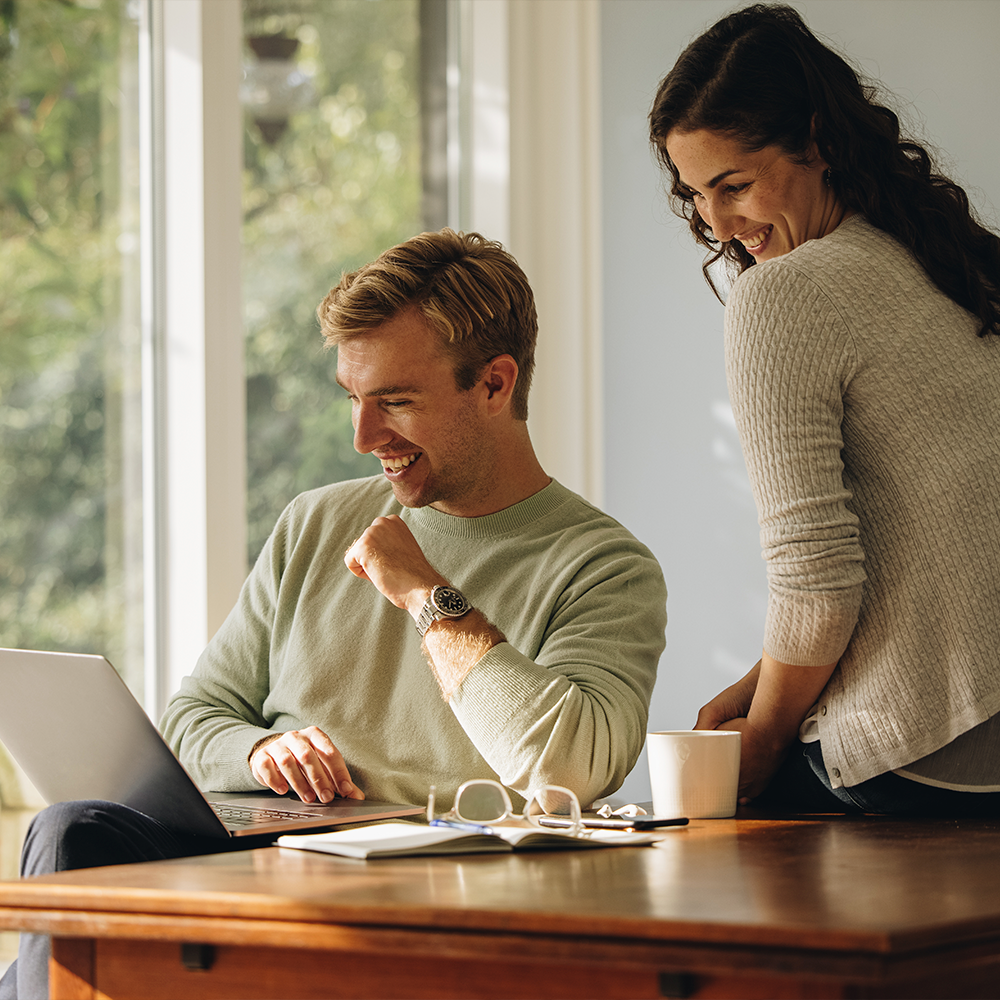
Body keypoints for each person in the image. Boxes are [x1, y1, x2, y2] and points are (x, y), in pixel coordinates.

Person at [0, 228, 666, 999]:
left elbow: (571, 764)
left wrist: (425, 595)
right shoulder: (314, 523)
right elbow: (193, 718)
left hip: (426, 897)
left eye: (396, 402)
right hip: (252, 869)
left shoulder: (604, 566)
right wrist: (259, 754)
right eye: (354, 398)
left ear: (494, 384)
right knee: (70, 830)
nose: (363, 437)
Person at [648, 3, 1000, 815]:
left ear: (814, 141)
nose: (718, 224)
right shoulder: (945, 257)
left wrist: (766, 737)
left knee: (684, 838)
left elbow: (817, 585)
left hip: (926, 748)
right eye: (697, 194)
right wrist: (764, 684)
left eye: (733, 185)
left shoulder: (785, 295)